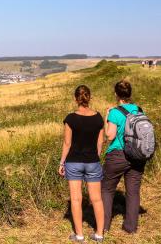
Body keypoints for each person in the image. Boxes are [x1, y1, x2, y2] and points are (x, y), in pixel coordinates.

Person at [59, 85, 105, 243]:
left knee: (76, 199)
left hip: (73, 162)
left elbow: (67, 143)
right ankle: (99, 234)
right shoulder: (98, 117)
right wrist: (94, 157)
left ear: (75, 98)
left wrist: (61, 162)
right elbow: (100, 143)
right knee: (97, 199)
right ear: (89, 97)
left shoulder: (70, 118)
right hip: (93, 161)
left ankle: (79, 235)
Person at [102, 80, 146, 234]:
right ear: (130, 94)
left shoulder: (115, 112)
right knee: (133, 192)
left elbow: (109, 136)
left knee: (107, 190)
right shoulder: (139, 110)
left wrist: (106, 118)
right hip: (137, 155)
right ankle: (131, 227)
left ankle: (104, 226)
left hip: (118, 155)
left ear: (116, 94)